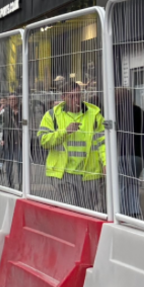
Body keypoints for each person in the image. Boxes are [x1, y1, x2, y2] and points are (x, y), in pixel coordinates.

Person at [37, 80, 107, 211]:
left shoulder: (94, 114)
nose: (76, 100)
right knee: (70, 209)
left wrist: (106, 163)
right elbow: (43, 140)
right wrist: (64, 132)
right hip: (64, 174)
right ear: (63, 97)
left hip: (89, 174)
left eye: (78, 96)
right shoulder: (52, 116)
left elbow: (103, 142)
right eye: (72, 96)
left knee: (88, 211)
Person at [114, 87, 144, 218]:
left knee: (122, 184)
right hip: (137, 155)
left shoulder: (112, 112)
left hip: (118, 154)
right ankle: (134, 210)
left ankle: (122, 212)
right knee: (133, 183)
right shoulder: (138, 111)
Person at [0, 93, 23, 188]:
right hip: (8, 141)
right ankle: (10, 184)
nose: (12, 101)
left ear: (17, 100)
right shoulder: (5, 112)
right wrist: (2, 139)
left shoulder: (22, 111)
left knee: (20, 164)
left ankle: (21, 184)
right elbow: (1, 126)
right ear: (8, 101)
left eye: (14, 99)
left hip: (19, 142)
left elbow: (25, 125)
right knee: (9, 165)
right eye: (10, 99)